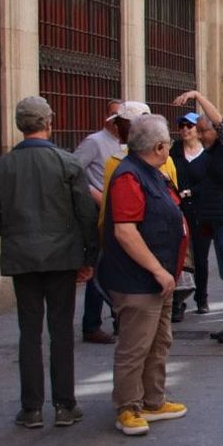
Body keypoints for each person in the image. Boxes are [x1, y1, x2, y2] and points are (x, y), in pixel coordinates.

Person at [0, 96, 99, 429]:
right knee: (61, 331)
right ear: (49, 122)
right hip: (62, 257)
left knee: (29, 332)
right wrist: (90, 256)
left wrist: (14, 232)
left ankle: (31, 408)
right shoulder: (67, 163)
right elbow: (86, 214)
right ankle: (64, 404)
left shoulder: (1, 166)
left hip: (22, 258)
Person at [97, 114, 189, 437]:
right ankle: (127, 406)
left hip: (159, 278)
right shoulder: (129, 177)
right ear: (159, 146)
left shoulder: (152, 173)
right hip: (138, 280)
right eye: (169, 144)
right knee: (135, 345)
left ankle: (153, 399)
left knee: (159, 340)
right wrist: (156, 269)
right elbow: (125, 232)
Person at [172, 90, 223, 345]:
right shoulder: (211, 153)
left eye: (203, 130)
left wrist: (198, 96)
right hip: (219, 221)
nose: (198, 134)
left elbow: (222, 124)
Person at [74, 100, 124, 344]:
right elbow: (73, 171)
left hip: (122, 213)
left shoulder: (127, 143)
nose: (117, 120)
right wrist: (95, 194)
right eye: (114, 115)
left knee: (119, 267)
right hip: (99, 213)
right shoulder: (94, 142)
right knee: (99, 268)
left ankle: (120, 319)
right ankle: (91, 325)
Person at [169, 112, 211, 321]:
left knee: (201, 256)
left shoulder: (207, 154)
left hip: (201, 211)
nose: (185, 129)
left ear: (198, 130)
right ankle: (178, 301)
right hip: (178, 210)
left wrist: (191, 192)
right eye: (181, 125)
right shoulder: (174, 151)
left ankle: (201, 298)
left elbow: (211, 180)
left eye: (189, 126)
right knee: (180, 254)